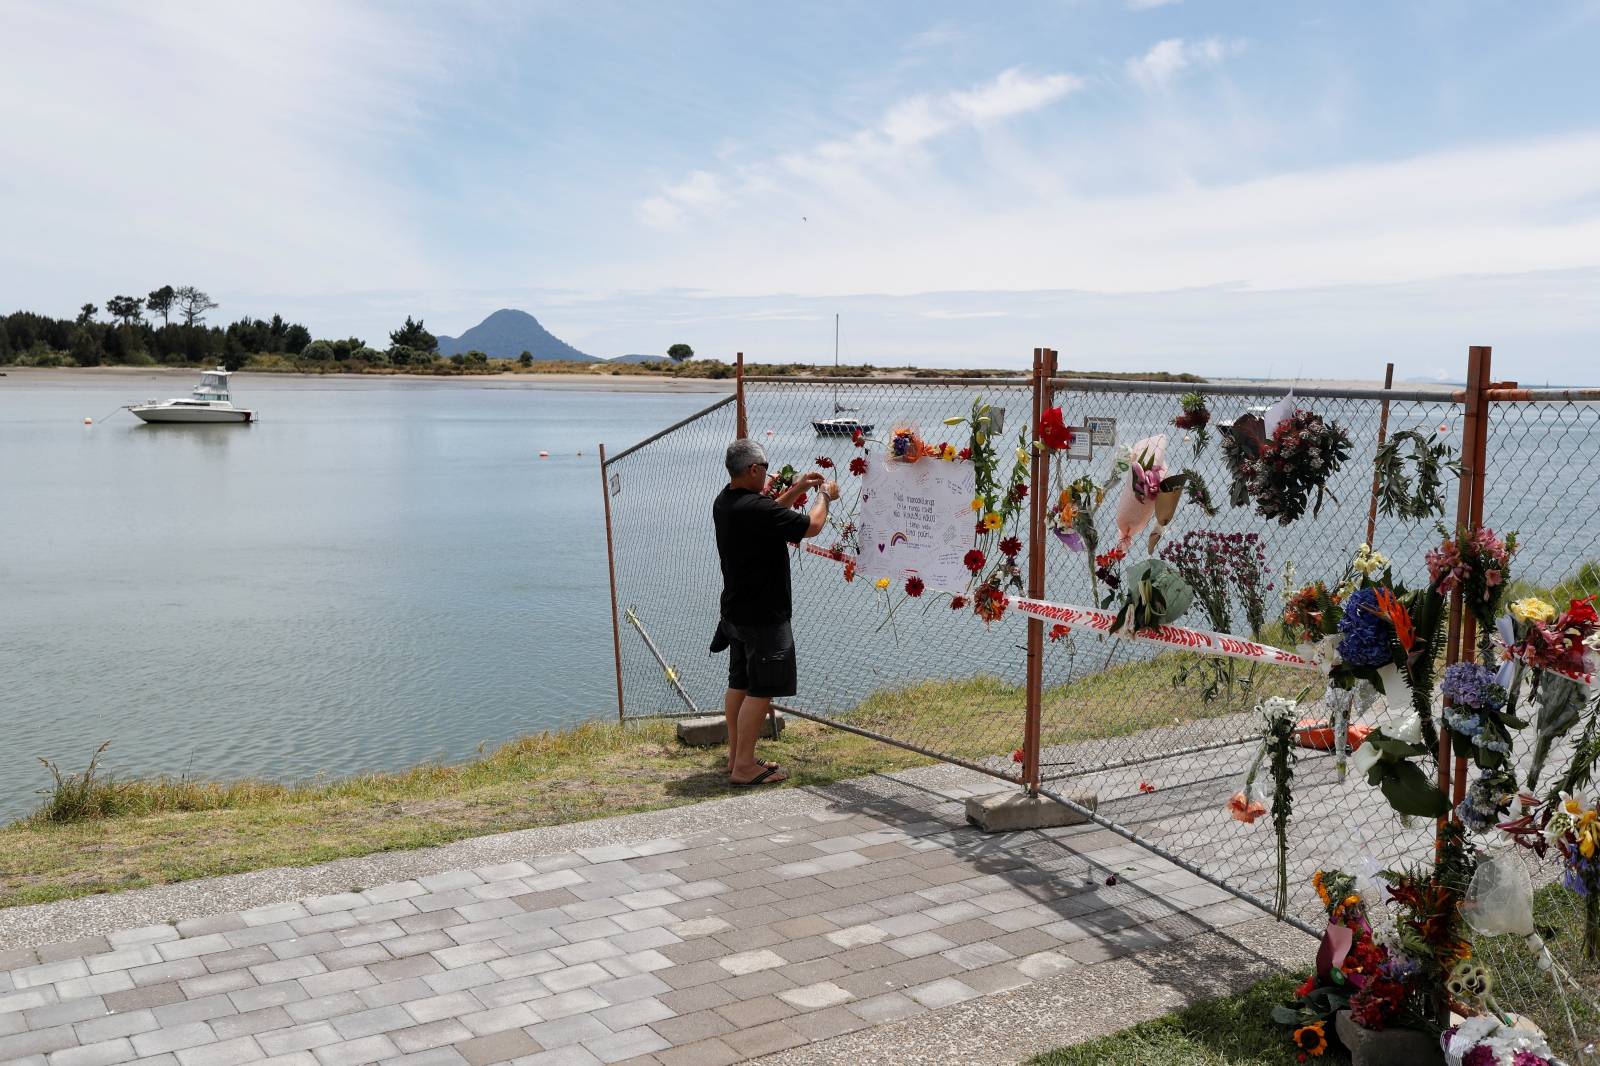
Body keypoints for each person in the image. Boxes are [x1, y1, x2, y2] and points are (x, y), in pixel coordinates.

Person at [711, 438, 838, 787]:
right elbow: (810, 527)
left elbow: (769, 515)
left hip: (736, 613)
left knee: (740, 683)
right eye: (765, 469)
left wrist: (796, 488)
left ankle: (737, 757)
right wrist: (824, 496)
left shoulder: (726, 502)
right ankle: (744, 768)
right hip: (763, 614)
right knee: (762, 689)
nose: (767, 475)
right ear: (753, 469)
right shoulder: (756, 509)